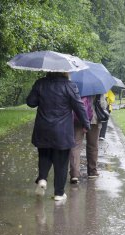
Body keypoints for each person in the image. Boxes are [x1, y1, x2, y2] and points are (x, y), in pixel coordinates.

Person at [27, 72, 90, 201]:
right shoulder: (70, 86)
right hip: (62, 131)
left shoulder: (40, 83)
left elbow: (30, 102)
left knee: (44, 155)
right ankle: (59, 194)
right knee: (61, 162)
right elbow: (79, 106)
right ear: (65, 71)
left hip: (43, 128)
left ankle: (42, 179)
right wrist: (86, 124)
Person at [69, 94, 107, 184]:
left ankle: (74, 174)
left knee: (75, 146)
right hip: (94, 120)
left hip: (78, 119)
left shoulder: (75, 87)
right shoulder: (98, 88)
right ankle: (92, 172)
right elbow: (103, 105)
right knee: (93, 146)